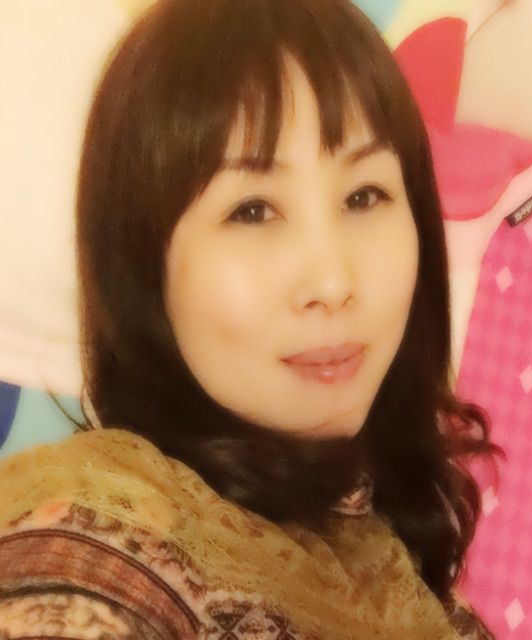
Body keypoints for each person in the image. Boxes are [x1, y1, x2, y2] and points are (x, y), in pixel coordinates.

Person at [0, 0, 497, 637]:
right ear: (143, 263)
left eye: (363, 195)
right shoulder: (107, 530)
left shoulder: (380, 505)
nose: (333, 284)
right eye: (253, 211)